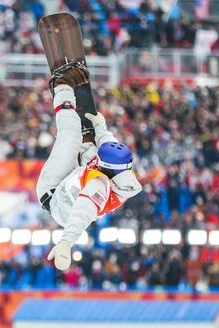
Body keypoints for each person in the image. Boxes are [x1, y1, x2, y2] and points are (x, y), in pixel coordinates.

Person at [36, 77, 142, 271]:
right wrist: (100, 126)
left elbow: (81, 215)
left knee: (70, 134)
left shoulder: (98, 187)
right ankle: (87, 144)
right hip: (74, 180)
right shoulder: (119, 169)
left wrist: (66, 243)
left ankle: (62, 90)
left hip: (53, 193)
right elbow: (107, 143)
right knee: (92, 149)